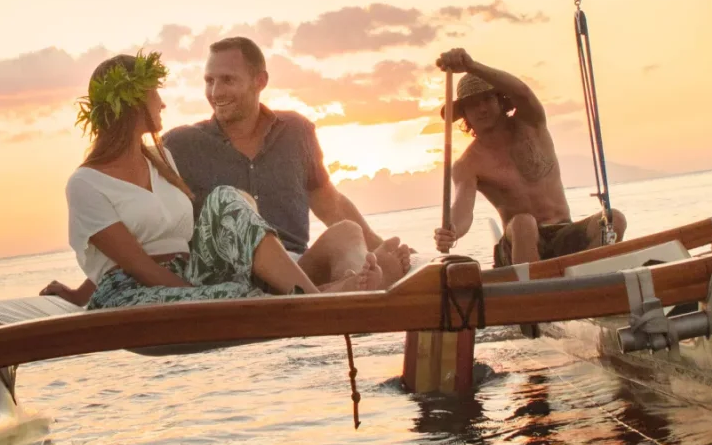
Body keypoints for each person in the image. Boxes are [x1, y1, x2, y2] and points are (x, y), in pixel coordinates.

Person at [55, 50, 365, 312]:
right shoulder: (86, 184)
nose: (161, 103)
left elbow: (184, 235)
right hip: (132, 290)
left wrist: (201, 282)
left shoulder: (162, 163)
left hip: (187, 271)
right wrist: (197, 292)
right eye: (154, 93)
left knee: (227, 196)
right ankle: (318, 301)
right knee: (234, 295)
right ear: (133, 103)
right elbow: (135, 263)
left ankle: (315, 297)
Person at [161, 35, 412, 286]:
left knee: (348, 231)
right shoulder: (181, 144)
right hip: (232, 275)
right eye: (209, 81)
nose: (216, 92)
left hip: (297, 266)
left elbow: (330, 203)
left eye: (227, 80)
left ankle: (353, 285)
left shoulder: (296, 131)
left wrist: (379, 245)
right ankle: (341, 291)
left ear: (260, 81)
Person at [430, 47, 627, 266]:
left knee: (613, 218)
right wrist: (452, 231)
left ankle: (594, 284)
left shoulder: (532, 122)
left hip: (564, 231)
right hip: (518, 243)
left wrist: (471, 66)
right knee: (524, 223)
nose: (482, 109)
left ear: (500, 101)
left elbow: (522, 91)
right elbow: (461, 209)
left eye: (487, 99)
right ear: (464, 114)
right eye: (472, 104)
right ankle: (533, 293)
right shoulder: (467, 164)